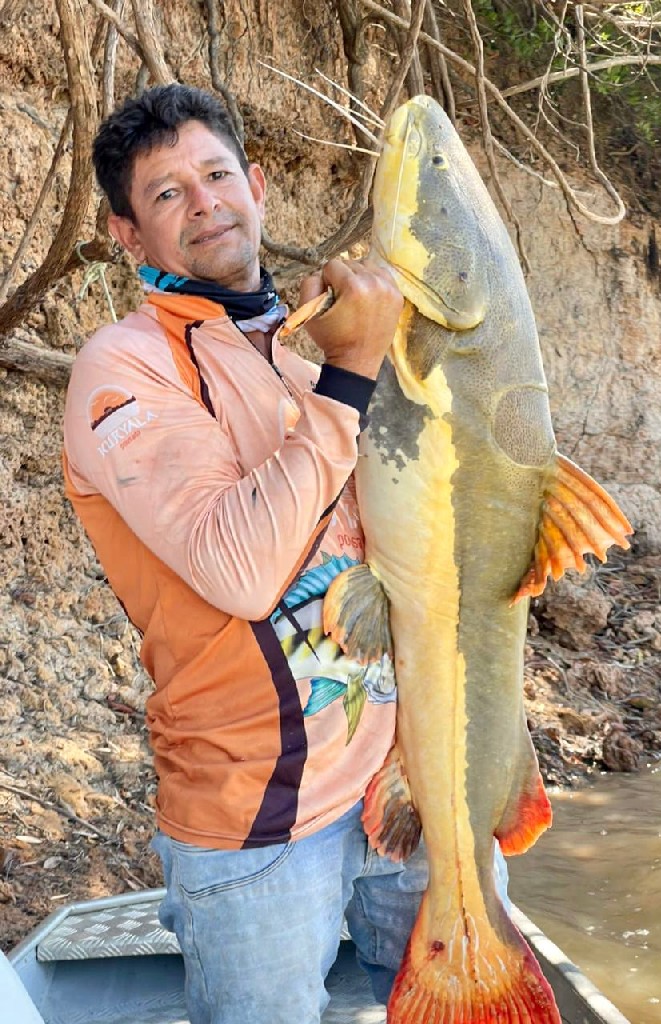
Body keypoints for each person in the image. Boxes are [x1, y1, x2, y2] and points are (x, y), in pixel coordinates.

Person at [62, 83, 426, 1024]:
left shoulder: (317, 339)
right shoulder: (124, 366)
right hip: (256, 821)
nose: (205, 203)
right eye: (167, 195)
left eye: (217, 174)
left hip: (405, 773)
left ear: (258, 185)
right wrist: (349, 379)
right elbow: (238, 570)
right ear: (126, 236)